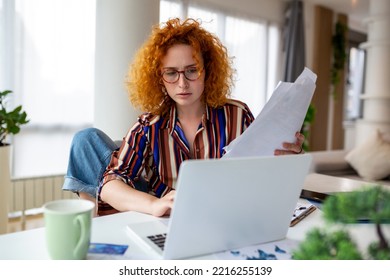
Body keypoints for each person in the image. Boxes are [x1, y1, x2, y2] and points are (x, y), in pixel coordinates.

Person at [62, 18, 305, 217]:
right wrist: (154, 205)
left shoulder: (237, 115)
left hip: (222, 217)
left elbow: (263, 175)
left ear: (207, 70)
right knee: (87, 141)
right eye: (171, 73)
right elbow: (109, 184)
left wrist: (287, 160)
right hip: (170, 220)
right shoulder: (148, 125)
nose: (182, 83)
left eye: (192, 70)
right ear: (159, 77)